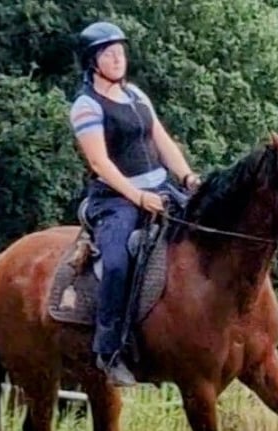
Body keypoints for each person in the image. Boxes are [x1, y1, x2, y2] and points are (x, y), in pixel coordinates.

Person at [69, 21, 201, 387]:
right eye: (108, 54)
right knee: (115, 263)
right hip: (115, 201)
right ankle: (108, 350)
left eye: (120, 52)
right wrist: (137, 196)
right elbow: (100, 164)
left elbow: (163, 142)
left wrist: (188, 178)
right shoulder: (86, 105)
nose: (117, 58)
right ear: (92, 61)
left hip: (161, 190)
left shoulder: (136, 96)